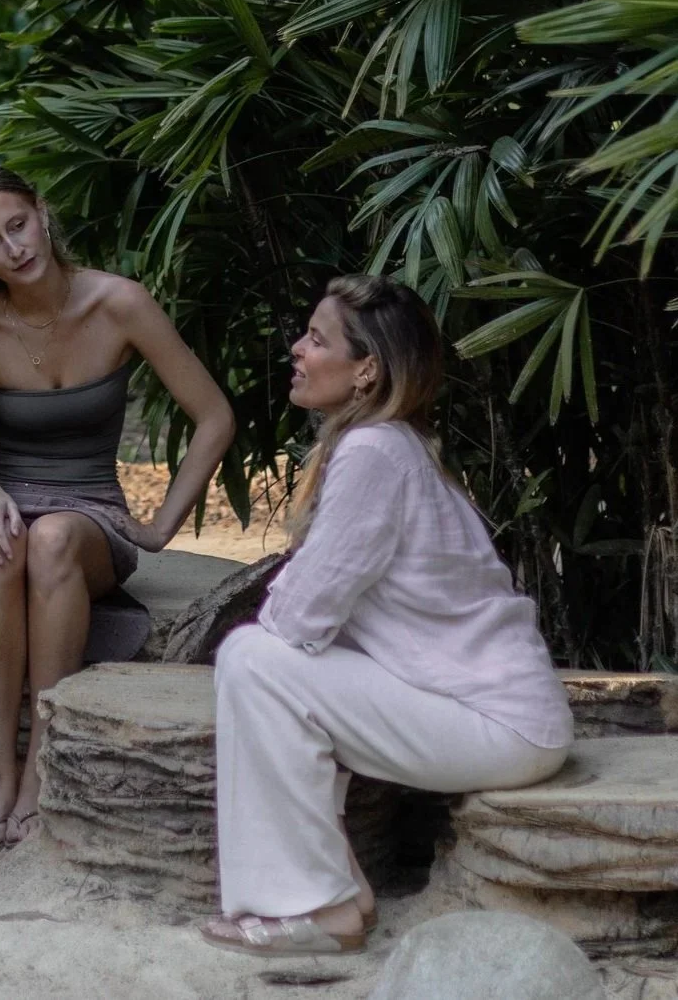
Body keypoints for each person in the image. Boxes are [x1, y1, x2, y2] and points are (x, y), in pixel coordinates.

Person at [204, 275, 574, 957]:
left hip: (496, 724)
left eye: (316, 339)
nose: (296, 348)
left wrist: (287, 601)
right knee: (273, 665)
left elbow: (300, 615)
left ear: (366, 368)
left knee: (253, 660)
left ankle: (320, 908)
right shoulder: (390, 443)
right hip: (502, 717)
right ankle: (337, 890)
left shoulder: (374, 452)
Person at [0, 160, 237, 857]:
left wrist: (157, 529)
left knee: (52, 538)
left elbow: (213, 415)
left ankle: (39, 770)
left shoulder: (118, 302)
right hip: (2, 499)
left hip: (87, 513)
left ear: (40, 209)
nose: (15, 247)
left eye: (18, 224)